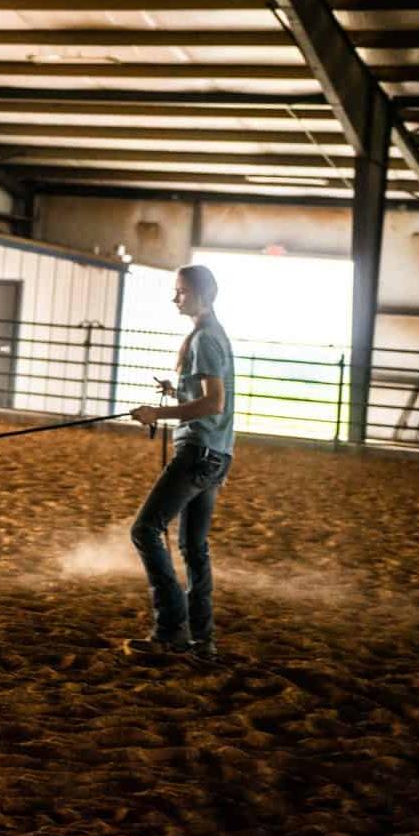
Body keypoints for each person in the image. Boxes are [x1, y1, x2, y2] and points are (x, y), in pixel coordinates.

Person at [126, 265, 235, 658]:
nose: (176, 298)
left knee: (146, 529)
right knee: (193, 546)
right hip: (216, 454)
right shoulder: (211, 336)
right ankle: (202, 639)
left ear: (203, 295)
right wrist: (178, 391)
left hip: (198, 451)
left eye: (182, 292)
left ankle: (172, 626)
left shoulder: (205, 339)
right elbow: (205, 397)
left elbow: (213, 403)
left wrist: (158, 415)